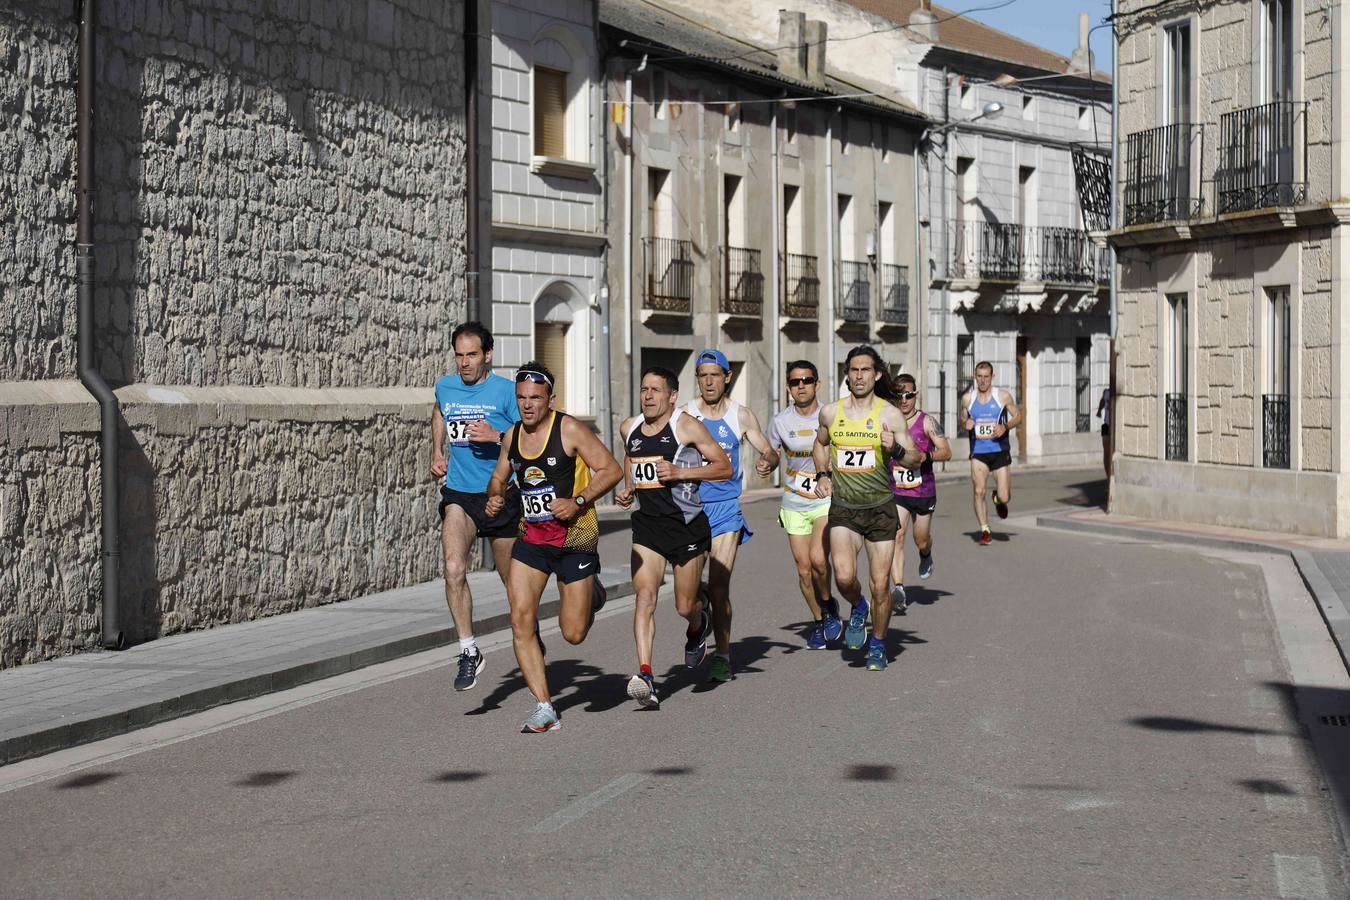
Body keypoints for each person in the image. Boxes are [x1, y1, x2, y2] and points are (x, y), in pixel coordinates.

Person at [485, 363, 622, 733]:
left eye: (535, 398)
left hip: (575, 538)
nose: (527, 405)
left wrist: (578, 500)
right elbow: (499, 477)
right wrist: (495, 496)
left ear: (551, 399)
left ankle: (592, 590)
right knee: (520, 619)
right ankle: (545, 706)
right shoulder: (512, 435)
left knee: (573, 634)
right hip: (531, 540)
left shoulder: (570, 429)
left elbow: (611, 470)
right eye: (521, 398)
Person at [615, 366, 733, 708]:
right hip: (648, 527)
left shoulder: (686, 426)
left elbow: (723, 467)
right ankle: (647, 675)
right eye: (643, 389)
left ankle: (699, 622)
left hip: (686, 526)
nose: (648, 396)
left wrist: (682, 472)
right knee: (645, 597)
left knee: (684, 606)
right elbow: (630, 454)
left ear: (672, 396)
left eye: (655, 390)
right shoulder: (630, 427)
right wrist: (628, 488)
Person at [812, 346, 924, 671]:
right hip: (844, 508)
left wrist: (897, 448)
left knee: (880, 585)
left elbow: (916, 457)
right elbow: (820, 444)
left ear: (876, 375)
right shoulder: (831, 413)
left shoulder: (889, 414)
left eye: (865, 370)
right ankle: (857, 606)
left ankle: (877, 643)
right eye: (854, 370)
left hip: (879, 508)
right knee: (845, 577)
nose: (859, 376)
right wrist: (822, 473)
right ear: (847, 374)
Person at [431, 321, 521, 692]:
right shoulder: (445, 386)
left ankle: (527, 639)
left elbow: (532, 437)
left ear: (488, 355)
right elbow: (439, 410)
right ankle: (468, 650)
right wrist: (437, 450)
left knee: (512, 584)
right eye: (459, 356)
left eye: (472, 355)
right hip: (460, 494)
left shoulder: (507, 392)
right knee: (453, 567)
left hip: (501, 494)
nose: (465, 363)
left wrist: (498, 436)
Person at [686, 349, 774, 682]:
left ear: (727, 377)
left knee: (720, 587)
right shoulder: (685, 415)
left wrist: (769, 460)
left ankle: (722, 655)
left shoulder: (742, 416)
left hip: (725, 510)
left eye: (714, 375)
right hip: (690, 511)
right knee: (689, 590)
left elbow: (768, 449)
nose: (708, 381)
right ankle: (698, 622)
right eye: (702, 375)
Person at [756, 360, 842, 650]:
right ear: (788, 387)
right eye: (795, 382)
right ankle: (820, 620)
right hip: (794, 499)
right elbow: (773, 453)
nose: (801, 385)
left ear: (817, 384)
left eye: (807, 380)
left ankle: (829, 603)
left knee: (819, 559)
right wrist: (766, 463)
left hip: (825, 498)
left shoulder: (831, 415)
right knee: (804, 569)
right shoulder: (780, 421)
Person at [888, 373, 952, 613]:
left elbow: (946, 451)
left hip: (923, 491)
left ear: (916, 395)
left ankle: (926, 554)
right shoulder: (889, 421)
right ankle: (899, 588)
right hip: (896, 490)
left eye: (909, 395)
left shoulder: (927, 422)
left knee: (920, 538)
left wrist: (927, 456)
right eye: (899, 395)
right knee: (897, 536)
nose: (904, 400)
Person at [959, 361, 1023, 546]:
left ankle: (997, 499)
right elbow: (963, 418)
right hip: (978, 452)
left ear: (992, 377)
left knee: (1005, 497)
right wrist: (966, 424)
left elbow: (1018, 416)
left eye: (986, 377)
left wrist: (1005, 426)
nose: (983, 380)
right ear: (975, 376)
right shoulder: (967, 399)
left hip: (999, 451)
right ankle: (985, 529)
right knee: (979, 491)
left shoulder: (1002, 396)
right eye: (979, 376)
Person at [1097, 386, 1111, 477]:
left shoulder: (1116, 394)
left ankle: (1111, 477)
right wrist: (1099, 411)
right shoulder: (1106, 392)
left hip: (1114, 426)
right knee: (1106, 452)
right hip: (1106, 424)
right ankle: (1108, 477)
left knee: (1111, 451)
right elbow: (1102, 401)